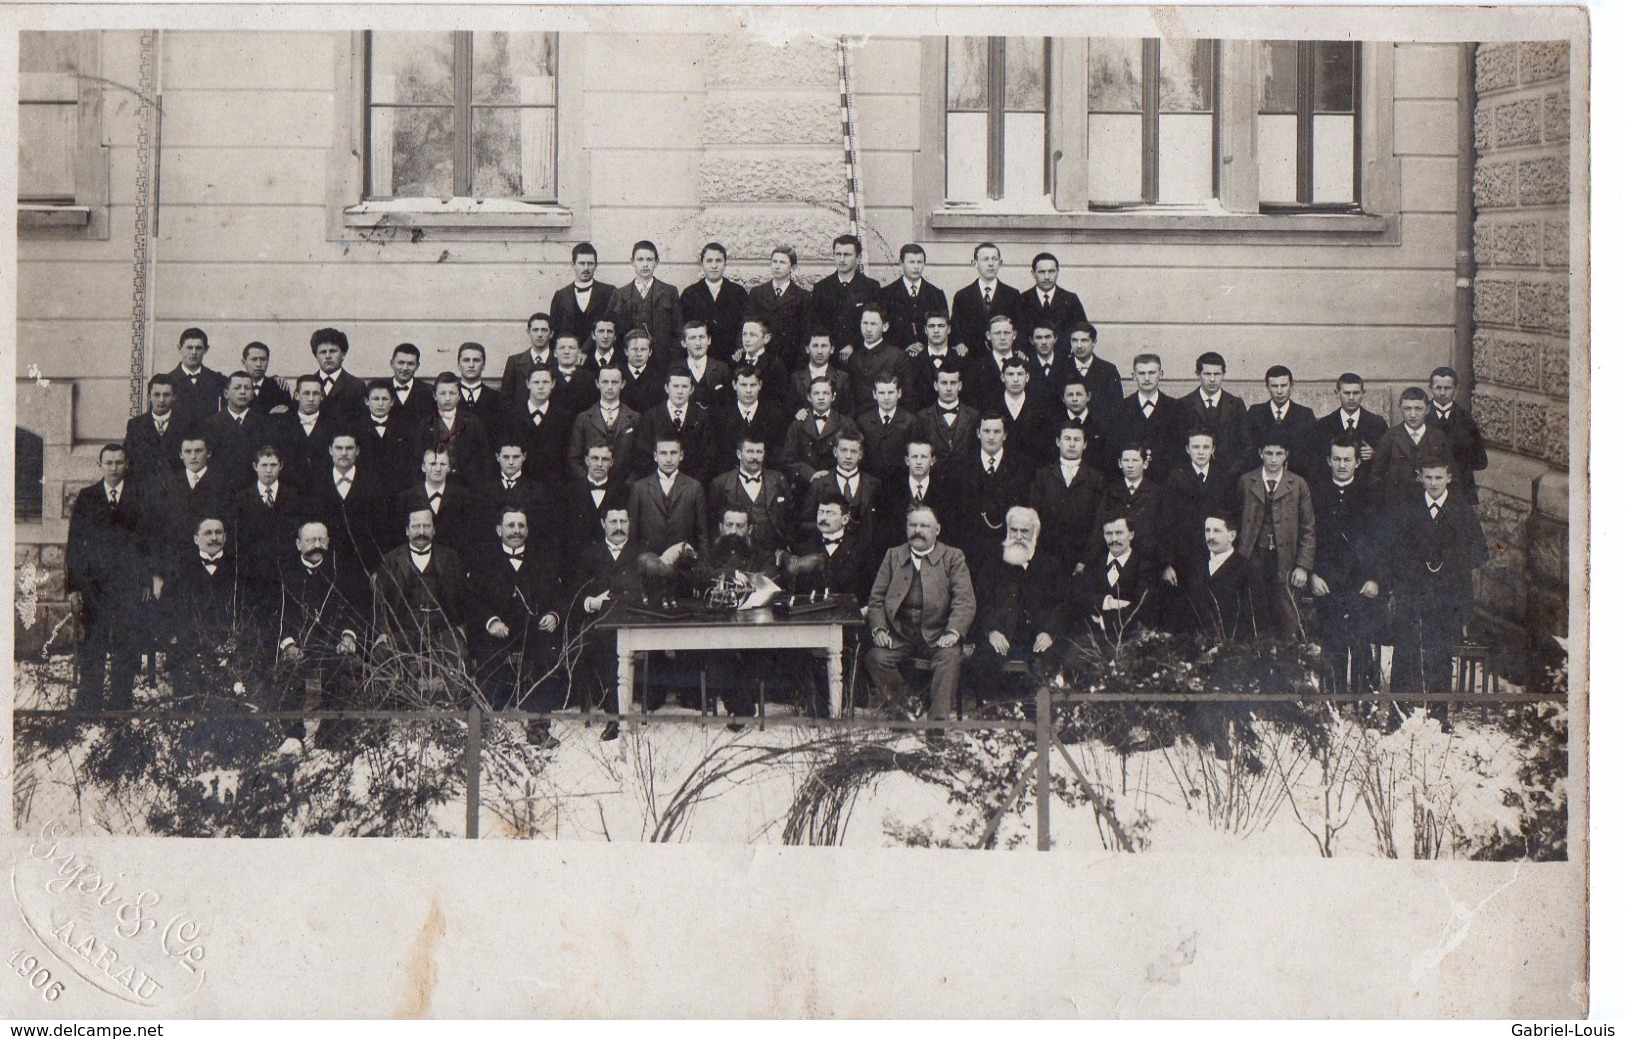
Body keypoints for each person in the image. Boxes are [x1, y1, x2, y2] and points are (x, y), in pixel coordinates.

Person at [1388, 461, 1488, 726]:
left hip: (1448, 595)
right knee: (1405, 649)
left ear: (1449, 478)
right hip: (1413, 592)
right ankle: (1399, 714)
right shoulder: (1408, 509)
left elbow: (1480, 552)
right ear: (1420, 478)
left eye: (1439, 477)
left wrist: (1452, 562)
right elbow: (1394, 550)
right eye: (1428, 477)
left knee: (1440, 653)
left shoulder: (1462, 511)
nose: (1433, 483)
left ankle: (1438, 715)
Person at [865, 504, 977, 721]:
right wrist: (879, 628)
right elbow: (876, 599)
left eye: (924, 526)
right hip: (900, 634)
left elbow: (965, 601)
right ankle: (907, 707)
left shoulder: (953, 557)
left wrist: (953, 632)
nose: (918, 530)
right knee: (875, 657)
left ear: (937, 530)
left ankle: (936, 723)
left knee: (950, 657)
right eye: (913, 525)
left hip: (937, 634)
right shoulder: (893, 555)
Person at [66, 444, 155, 710]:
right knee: (94, 641)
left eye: (119, 462)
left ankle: (121, 702)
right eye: (109, 462)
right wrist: (75, 587)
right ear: (100, 465)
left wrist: (147, 580)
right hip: (95, 585)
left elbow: (149, 542)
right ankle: (90, 702)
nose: (114, 467)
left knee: (127, 643)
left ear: (126, 464)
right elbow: (75, 544)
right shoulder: (87, 497)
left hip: (129, 584)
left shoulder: (139, 496)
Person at [468, 508, 566, 747]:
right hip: (497, 632)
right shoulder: (484, 562)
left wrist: (554, 615)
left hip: (533, 631)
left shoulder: (542, 560)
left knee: (543, 658)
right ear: (499, 530)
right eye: (510, 526)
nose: (516, 531)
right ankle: (486, 729)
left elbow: (557, 596)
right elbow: (472, 600)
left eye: (521, 526)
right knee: (488, 663)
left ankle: (538, 729)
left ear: (528, 530)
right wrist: (490, 622)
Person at [275, 521, 368, 754]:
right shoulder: (284, 575)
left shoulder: (341, 572)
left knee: (346, 668)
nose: (317, 545)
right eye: (310, 540)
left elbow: (354, 609)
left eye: (321, 540)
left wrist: (348, 637)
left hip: (333, 646)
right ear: (298, 544)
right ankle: (293, 735)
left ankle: (334, 736)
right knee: (288, 672)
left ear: (328, 542)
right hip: (298, 646)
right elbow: (277, 614)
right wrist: (288, 644)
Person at [965, 506, 1066, 702]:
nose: (1018, 536)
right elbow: (982, 601)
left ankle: (1036, 726)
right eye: (1014, 530)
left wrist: (1049, 632)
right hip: (1002, 638)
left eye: (1024, 531)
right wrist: (992, 631)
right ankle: (993, 721)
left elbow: (1061, 605)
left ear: (1035, 533)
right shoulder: (994, 563)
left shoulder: (1050, 565)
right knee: (983, 663)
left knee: (1047, 667)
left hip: (1038, 639)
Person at [1309, 435, 1384, 693]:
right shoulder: (1316, 493)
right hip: (1327, 580)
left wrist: (1375, 578)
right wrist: (1313, 575)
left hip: (1360, 581)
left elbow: (1378, 540)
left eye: (1347, 460)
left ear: (1357, 463)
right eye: (1337, 459)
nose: (1342, 465)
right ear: (1329, 461)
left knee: (1361, 641)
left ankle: (1363, 701)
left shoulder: (1370, 494)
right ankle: (1334, 701)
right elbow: (1309, 537)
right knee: (1333, 642)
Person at [1236, 435, 1317, 639]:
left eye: (1279, 454)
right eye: (1269, 453)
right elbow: (1236, 522)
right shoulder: (1247, 482)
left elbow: (1308, 528)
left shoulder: (1298, 484)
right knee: (1254, 612)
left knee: (1287, 615)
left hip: (1285, 559)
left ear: (1286, 456)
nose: (1273, 459)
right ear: (1260, 454)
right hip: (1253, 556)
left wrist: (1303, 566)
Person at [570, 501, 641, 734]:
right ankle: (614, 714)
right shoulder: (589, 555)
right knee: (598, 649)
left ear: (630, 524)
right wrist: (591, 602)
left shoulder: (642, 553)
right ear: (603, 524)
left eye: (623, 521)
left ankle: (619, 713)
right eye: (613, 521)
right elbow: (577, 593)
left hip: (635, 622)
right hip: (600, 623)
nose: (618, 527)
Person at [373, 507, 471, 660]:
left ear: (434, 530)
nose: (421, 531)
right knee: (382, 655)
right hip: (404, 630)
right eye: (416, 526)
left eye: (426, 526)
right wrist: (383, 632)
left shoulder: (450, 558)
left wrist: (461, 630)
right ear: (407, 530)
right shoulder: (390, 560)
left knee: (459, 655)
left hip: (442, 631)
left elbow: (464, 598)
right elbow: (379, 602)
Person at [1058, 512, 1163, 643]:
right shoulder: (1093, 564)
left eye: (1119, 533)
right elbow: (1079, 598)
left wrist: (1104, 620)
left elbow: (1142, 608)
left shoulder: (1146, 567)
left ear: (1131, 535)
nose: (1114, 539)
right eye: (1108, 534)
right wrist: (1109, 602)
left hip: (1130, 639)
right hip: (1091, 638)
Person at [953, 412, 1034, 577]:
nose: (991, 437)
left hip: (1007, 550)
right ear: (978, 433)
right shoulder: (961, 466)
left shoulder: (1021, 467)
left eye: (996, 432)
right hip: (971, 552)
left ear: (1004, 435)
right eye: (986, 431)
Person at [628, 438, 709, 601]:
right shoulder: (639, 488)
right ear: (655, 456)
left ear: (681, 455)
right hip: (648, 573)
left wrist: (700, 571)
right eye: (663, 453)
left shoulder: (694, 487)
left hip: (684, 572)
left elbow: (702, 534)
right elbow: (632, 535)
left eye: (673, 453)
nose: (669, 458)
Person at [1158, 429, 1237, 591]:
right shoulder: (1175, 478)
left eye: (1206, 447)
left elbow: (1231, 518)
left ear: (1213, 449)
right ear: (1187, 449)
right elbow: (1165, 522)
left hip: (1213, 554)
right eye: (1196, 447)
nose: (1201, 452)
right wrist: (1166, 563)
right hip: (1182, 556)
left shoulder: (1223, 477)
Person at [1029, 420, 1106, 574]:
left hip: (1082, 560)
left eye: (1077, 440)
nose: (1072, 444)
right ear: (1058, 442)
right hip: (1047, 558)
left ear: (1084, 444)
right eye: (1067, 439)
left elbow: (1099, 522)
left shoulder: (1096, 478)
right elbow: (1033, 518)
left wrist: (1086, 559)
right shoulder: (1043, 476)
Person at [1368, 387, 1453, 507]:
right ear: (1400, 407)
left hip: (1429, 508)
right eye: (1407, 409)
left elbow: (1451, 474)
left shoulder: (1438, 437)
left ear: (1427, 409)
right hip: (1397, 508)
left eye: (1418, 408)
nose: (1413, 414)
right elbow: (1377, 478)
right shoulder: (1390, 437)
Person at [1108, 353, 1188, 481]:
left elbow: (1180, 450)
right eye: (1141, 373)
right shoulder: (1121, 409)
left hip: (1166, 481)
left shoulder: (1176, 408)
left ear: (1160, 374)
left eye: (1152, 372)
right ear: (1134, 376)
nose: (1146, 378)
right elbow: (1115, 449)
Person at [708, 435, 794, 553]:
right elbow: (712, 523)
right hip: (734, 553)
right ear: (739, 454)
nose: (755, 457)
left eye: (759, 452)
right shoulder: (720, 483)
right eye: (750, 452)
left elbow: (790, 516)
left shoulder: (778, 479)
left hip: (772, 552)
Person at [201, 370, 280, 492]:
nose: (242, 392)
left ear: (253, 394)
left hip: (252, 490)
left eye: (247, 388)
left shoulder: (263, 422)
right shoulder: (211, 423)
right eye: (237, 388)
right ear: (226, 393)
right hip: (221, 489)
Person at [607, 240, 683, 363]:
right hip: (629, 362)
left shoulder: (670, 292)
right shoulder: (620, 294)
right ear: (632, 262)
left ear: (656, 262)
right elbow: (609, 328)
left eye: (649, 259)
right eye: (640, 260)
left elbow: (678, 331)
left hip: (661, 362)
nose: (645, 264)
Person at [800, 432, 879, 551]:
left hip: (864, 556)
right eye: (843, 450)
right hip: (827, 552)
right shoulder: (819, 484)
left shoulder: (874, 485)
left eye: (853, 451)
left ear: (861, 454)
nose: (848, 456)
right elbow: (805, 523)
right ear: (835, 452)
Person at [1181, 351, 1252, 479]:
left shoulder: (1236, 405)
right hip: (1193, 479)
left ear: (1224, 374)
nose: (1212, 379)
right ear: (1198, 374)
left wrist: (1230, 473)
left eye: (1217, 374)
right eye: (1207, 374)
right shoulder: (1183, 404)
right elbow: (1179, 444)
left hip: (1229, 479)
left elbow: (1246, 444)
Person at [397, 447, 478, 558]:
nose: (438, 469)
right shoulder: (407, 498)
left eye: (443, 464)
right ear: (423, 467)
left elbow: (471, 535)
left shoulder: (464, 497)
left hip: (454, 563)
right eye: (433, 464)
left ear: (449, 468)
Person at [633, 368, 712, 481]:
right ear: (666, 388)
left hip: (692, 484)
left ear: (692, 389)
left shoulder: (702, 417)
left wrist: (692, 484)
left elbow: (708, 456)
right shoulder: (651, 416)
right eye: (675, 386)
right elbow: (643, 454)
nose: (680, 391)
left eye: (684, 387)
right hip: (658, 484)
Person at [782, 376, 859, 490]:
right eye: (816, 393)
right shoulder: (798, 424)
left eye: (826, 393)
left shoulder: (846, 423)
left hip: (837, 483)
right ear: (809, 397)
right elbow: (788, 458)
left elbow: (855, 455)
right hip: (805, 484)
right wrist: (810, 474)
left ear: (833, 396)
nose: (821, 398)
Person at [810, 233, 881, 358]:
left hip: (862, 355)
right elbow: (816, 325)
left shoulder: (871, 287)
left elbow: (875, 323)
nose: (841, 259)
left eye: (847, 255)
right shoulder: (821, 288)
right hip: (830, 357)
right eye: (838, 254)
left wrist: (853, 345)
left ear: (858, 258)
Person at [1181, 512, 1251, 638]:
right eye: (1207, 530)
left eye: (1217, 531)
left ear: (1232, 535)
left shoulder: (1245, 568)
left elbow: (1250, 616)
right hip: (1196, 646)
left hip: (1231, 646)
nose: (1210, 536)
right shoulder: (1196, 565)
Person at [710, 362, 787, 474]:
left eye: (753, 385)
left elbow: (776, 453)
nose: (748, 391)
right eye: (743, 385)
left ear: (760, 385)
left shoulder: (774, 415)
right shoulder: (722, 416)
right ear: (734, 385)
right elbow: (719, 454)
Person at [567, 365, 640, 482]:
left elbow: (640, 459)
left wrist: (628, 485)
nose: (610, 387)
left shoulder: (635, 419)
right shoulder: (584, 418)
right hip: (591, 488)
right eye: (605, 382)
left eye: (615, 382)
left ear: (623, 384)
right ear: (597, 384)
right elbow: (574, 459)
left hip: (624, 489)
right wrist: (588, 482)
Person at [1425, 366, 1489, 503]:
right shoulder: (1421, 418)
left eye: (1447, 388)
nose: (1442, 393)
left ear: (1456, 388)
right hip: (1427, 490)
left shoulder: (1465, 419)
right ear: (1430, 388)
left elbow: (1480, 461)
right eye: (1438, 387)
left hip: (1459, 489)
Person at [416, 371, 492, 486]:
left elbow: (484, 456)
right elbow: (418, 458)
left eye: (452, 393)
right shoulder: (425, 424)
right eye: (442, 393)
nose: (447, 398)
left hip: (468, 485)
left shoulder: (472, 421)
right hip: (437, 484)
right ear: (434, 396)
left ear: (459, 396)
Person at [744, 243, 812, 370]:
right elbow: (747, 323)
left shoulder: (802, 296)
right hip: (762, 357)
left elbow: (806, 333)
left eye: (782, 262)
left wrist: (801, 362)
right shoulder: (757, 293)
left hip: (790, 360)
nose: (777, 266)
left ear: (792, 267)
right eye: (774, 261)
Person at [790, 493, 872, 598]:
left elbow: (867, 590)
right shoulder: (802, 549)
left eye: (830, 513)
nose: (823, 518)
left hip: (848, 612)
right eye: (820, 512)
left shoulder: (860, 549)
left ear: (845, 519)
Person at [276, 374, 348, 491]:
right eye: (306, 393)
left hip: (324, 492)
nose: (311, 398)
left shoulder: (335, 426)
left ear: (322, 396)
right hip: (289, 493)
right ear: (296, 395)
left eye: (315, 393)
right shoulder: (281, 423)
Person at [1245, 365, 1318, 478]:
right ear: (1267, 387)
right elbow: (1248, 451)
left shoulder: (1305, 415)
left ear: (1291, 385)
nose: (1279, 391)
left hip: (1296, 480)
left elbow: (1311, 454)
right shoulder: (1255, 413)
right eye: (1274, 386)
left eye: (1283, 386)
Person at [949, 241, 1019, 358]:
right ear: (975, 263)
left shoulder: (1012, 295)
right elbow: (956, 328)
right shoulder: (962, 296)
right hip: (972, 358)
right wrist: (958, 343)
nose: (991, 264)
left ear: (1000, 263)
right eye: (985, 259)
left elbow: (1019, 326)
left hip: (1003, 358)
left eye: (994, 259)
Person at [680, 241, 749, 357]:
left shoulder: (738, 292)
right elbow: (684, 327)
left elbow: (744, 324)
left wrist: (740, 347)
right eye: (709, 261)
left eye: (718, 261)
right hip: (700, 357)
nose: (714, 266)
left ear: (725, 264)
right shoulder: (690, 294)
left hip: (731, 356)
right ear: (702, 264)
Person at [879, 243, 950, 356]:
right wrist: (905, 346)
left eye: (919, 262)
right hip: (897, 358)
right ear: (901, 264)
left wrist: (926, 348)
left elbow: (944, 329)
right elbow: (882, 330)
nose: (916, 267)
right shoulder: (886, 294)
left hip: (928, 359)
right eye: (911, 262)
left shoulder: (937, 294)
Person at [844, 304, 913, 416]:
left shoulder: (898, 356)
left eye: (873, 324)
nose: (868, 329)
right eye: (865, 323)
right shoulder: (853, 358)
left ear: (885, 327)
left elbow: (906, 399)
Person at [505, 366, 572, 481]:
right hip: (522, 484)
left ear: (553, 384)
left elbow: (566, 456)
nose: (541, 387)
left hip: (554, 484)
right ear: (528, 384)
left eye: (545, 382)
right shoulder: (512, 415)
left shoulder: (564, 417)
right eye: (536, 382)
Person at [123, 374, 189, 490]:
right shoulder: (136, 425)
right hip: (144, 492)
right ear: (149, 397)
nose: (161, 400)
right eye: (157, 394)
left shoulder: (185, 424)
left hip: (176, 492)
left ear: (174, 397)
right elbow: (127, 460)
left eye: (166, 395)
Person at [558, 444, 626, 556]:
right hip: (576, 561)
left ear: (612, 462)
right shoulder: (568, 491)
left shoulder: (623, 491)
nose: (599, 464)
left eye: (605, 459)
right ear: (586, 460)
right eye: (594, 458)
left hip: (608, 563)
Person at [356, 379, 418, 497]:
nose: (380, 404)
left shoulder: (405, 429)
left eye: (385, 399)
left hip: (398, 493)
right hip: (365, 493)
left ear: (392, 402)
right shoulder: (356, 428)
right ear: (366, 401)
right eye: (375, 399)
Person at [548, 242, 615, 352]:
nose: (586, 268)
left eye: (590, 263)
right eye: (581, 263)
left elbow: (615, 330)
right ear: (573, 265)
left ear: (596, 265)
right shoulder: (561, 296)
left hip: (599, 360)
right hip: (569, 360)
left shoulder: (609, 292)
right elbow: (554, 334)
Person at [855, 372, 920, 485]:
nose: (886, 398)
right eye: (881, 393)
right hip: (870, 483)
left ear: (899, 393)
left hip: (900, 483)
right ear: (874, 394)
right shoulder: (863, 421)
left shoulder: (910, 421)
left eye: (890, 392)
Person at [992, 357, 1057, 468]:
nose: (1016, 379)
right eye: (1010, 374)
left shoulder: (1040, 408)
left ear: (1027, 377)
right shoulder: (993, 407)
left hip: (1032, 472)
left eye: (1020, 374)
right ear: (1002, 377)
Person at [1014, 252, 1088, 347]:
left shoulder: (1070, 300)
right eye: (1042, 272)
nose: (1047, 277)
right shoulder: (1022, 299)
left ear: (1057, 272)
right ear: (1033, 273)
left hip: (1063, 359)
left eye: (1051, 271)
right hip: (1030, 359)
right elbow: (1016, 333)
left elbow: (1082, 331)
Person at [1314, 371, 1389, 463]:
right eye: (1346, 393)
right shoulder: (1324, 425)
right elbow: (1316, 460)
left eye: (1356, 393)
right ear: (1337, 393)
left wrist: (1376, 455)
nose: (1351, 398)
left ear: (1363, 393)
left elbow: (1390, 458)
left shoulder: (1377, 424)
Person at [914, 365, 981, 468]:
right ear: (936, 386)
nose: (949, 388)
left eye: (953, 383)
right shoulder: (922, 417)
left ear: (960, 385)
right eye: (944, 383)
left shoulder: (974, 416)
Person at [726, 318, 792, 417]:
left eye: (752, 335)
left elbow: (781, 398)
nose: (747, 339)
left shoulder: (775, 364)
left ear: (766, 338)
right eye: (744, 334)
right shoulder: (735, 361)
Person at [165, 327, 228, 432]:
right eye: (189, 347)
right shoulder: (167, 381)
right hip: (177, 443)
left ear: (206, 349)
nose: (194, 352)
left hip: (208, 442)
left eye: (198, 348)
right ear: (179, 348)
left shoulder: (217, 380)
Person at [961, 314, 1023, 412]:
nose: (1002, 338)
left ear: (1014, 335)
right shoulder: (976, 367)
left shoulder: (1024, 364)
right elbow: (971, 403)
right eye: (997, 333)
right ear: (988, 336)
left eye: (1006, 333)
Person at [308, 327, 367, 423]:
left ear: (343, 355)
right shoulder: (306, 384)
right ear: (316, 356)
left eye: (332, 351)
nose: (327, 356)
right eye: (323, 352)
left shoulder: (357, 386)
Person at [1061, 321, 1124, 412]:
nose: (1079, 346)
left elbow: (1117, 407)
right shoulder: (1060, 369)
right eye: (1075, 340)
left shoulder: (1108, 370)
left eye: (1084, 340)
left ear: (1094, 342)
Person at [789, 331, 855, 417]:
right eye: (815, 346)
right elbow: (789, 410)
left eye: (824, 346)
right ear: (807, 349)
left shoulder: (842, 378)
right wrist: (798, 413)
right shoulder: (796, 378)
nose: (819, 351)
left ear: (832, 349)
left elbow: (849, 413)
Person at [499, 314, 555, 409]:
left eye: (544, 330)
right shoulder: (514, 362)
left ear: (551, 334)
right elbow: (505, 398)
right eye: (535, 330)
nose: (539, 334)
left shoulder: (559, 362)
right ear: (528, 332)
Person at [905, 310, 957, 412]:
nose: (936, 330)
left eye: (941, 326)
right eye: (931, 326)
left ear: (949, 329)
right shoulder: (913, 360)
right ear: (925, 330)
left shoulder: (960, 359)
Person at [674, 320, 732, 411]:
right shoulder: (674, 369)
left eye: (701, 337)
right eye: (692, 338)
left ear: (709, 340)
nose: (698, 343)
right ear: (683, 343)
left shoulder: (722, 369)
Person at [454, 342, 506, 431]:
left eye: (476, 360)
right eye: (466, 360)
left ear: (484, 366)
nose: (471, 365)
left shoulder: (497, 398)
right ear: (458, 365)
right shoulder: (448, 396)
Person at [385, 342, 436, 423]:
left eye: (410, 364)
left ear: (417, 366)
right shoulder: (379, 389)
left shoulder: (428, 392)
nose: (405, 368)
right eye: (401, 363)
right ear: (392, 363)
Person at [618, 327, 665, 414]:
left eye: (643, 350)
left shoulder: (658, 379)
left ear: (650, 352)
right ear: (626, 351)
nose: (639, 354)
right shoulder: (617, 375)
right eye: (634, 349)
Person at [1023, 321, 1068, 407]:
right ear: (1031, 340)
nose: (1043, 342)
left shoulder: (1066, 365)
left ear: (1055, 338)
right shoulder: (1026, 366)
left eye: (1047, 337)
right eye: (1039, 338)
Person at [241, 340, 295, 414]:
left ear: (268, 361)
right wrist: (269, 414)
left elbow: (289, 418)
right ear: (244, 362)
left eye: (263, 359)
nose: (259, 364)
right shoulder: (237, 388)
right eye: (254, 359)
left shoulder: (279, 387)